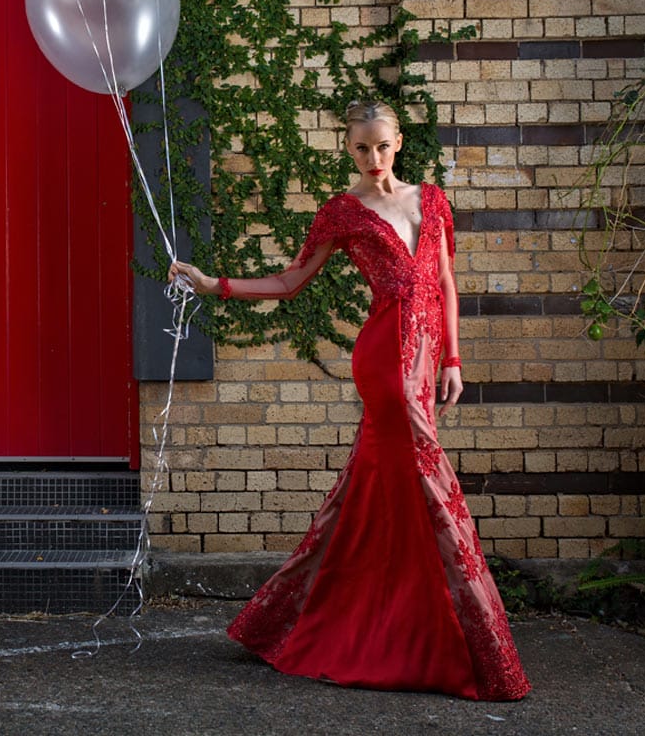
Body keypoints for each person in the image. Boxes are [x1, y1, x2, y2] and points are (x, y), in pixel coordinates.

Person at [167, 99, 531, 701]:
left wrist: (455, 360)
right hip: (384, 361)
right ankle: (473, 642)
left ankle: (321, 621)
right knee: (427, 478)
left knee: (371, 496)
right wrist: (216, 285)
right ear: (348, 148)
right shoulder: (343, 212)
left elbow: (444, 284)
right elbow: (290, 281)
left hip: (425, 358)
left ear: (399, 142)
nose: (373, 157)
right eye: (361, 147)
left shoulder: (432, 200)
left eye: (382, 145)